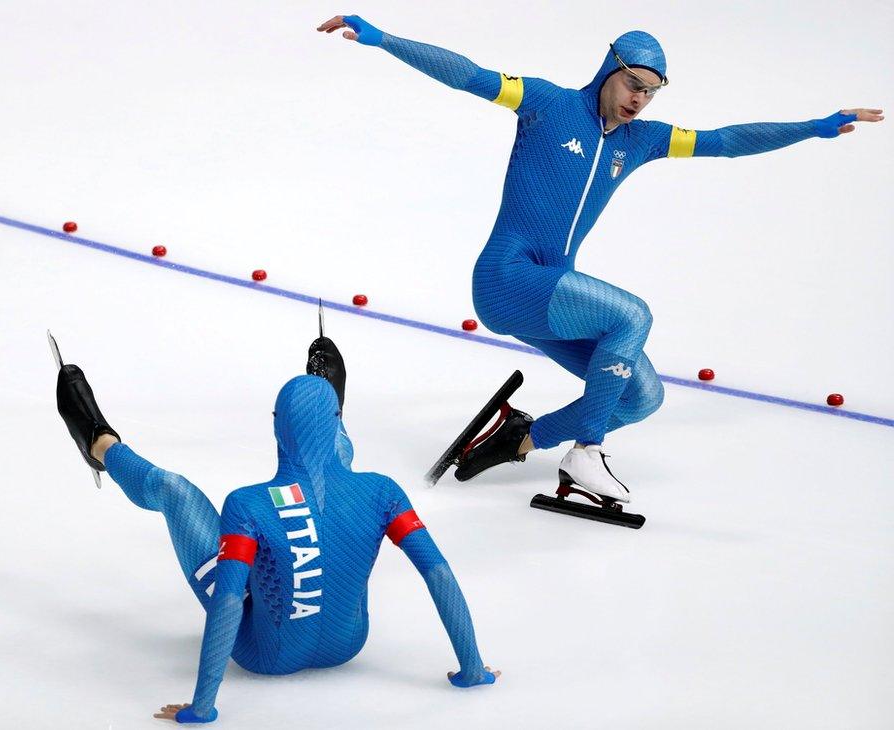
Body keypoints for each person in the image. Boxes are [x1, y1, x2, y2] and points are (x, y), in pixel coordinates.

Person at [317, 14, 884, 505]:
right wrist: (384, 39)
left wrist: (813, 127)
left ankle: (521, 439)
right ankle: (586, 452)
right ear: (608, 69)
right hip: (507, 279)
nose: (640, 98)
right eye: (633, 83)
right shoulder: (546, 104)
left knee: (642, 396)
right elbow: (468, 74)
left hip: (551, 292)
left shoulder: (639, 140)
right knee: (631, 317)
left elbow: (727, 140)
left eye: (652, 91)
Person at [54, 341, 498, 725]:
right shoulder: (383, 491)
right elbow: (437, 573)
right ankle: (324, 410)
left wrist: (202, 707)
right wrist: (472, 669)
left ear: (274, 425)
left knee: (174, 491)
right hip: (348, 644)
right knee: (338, 474)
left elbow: (229, 600)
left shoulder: (247, 504)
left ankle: (100, 444)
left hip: (262, 651)